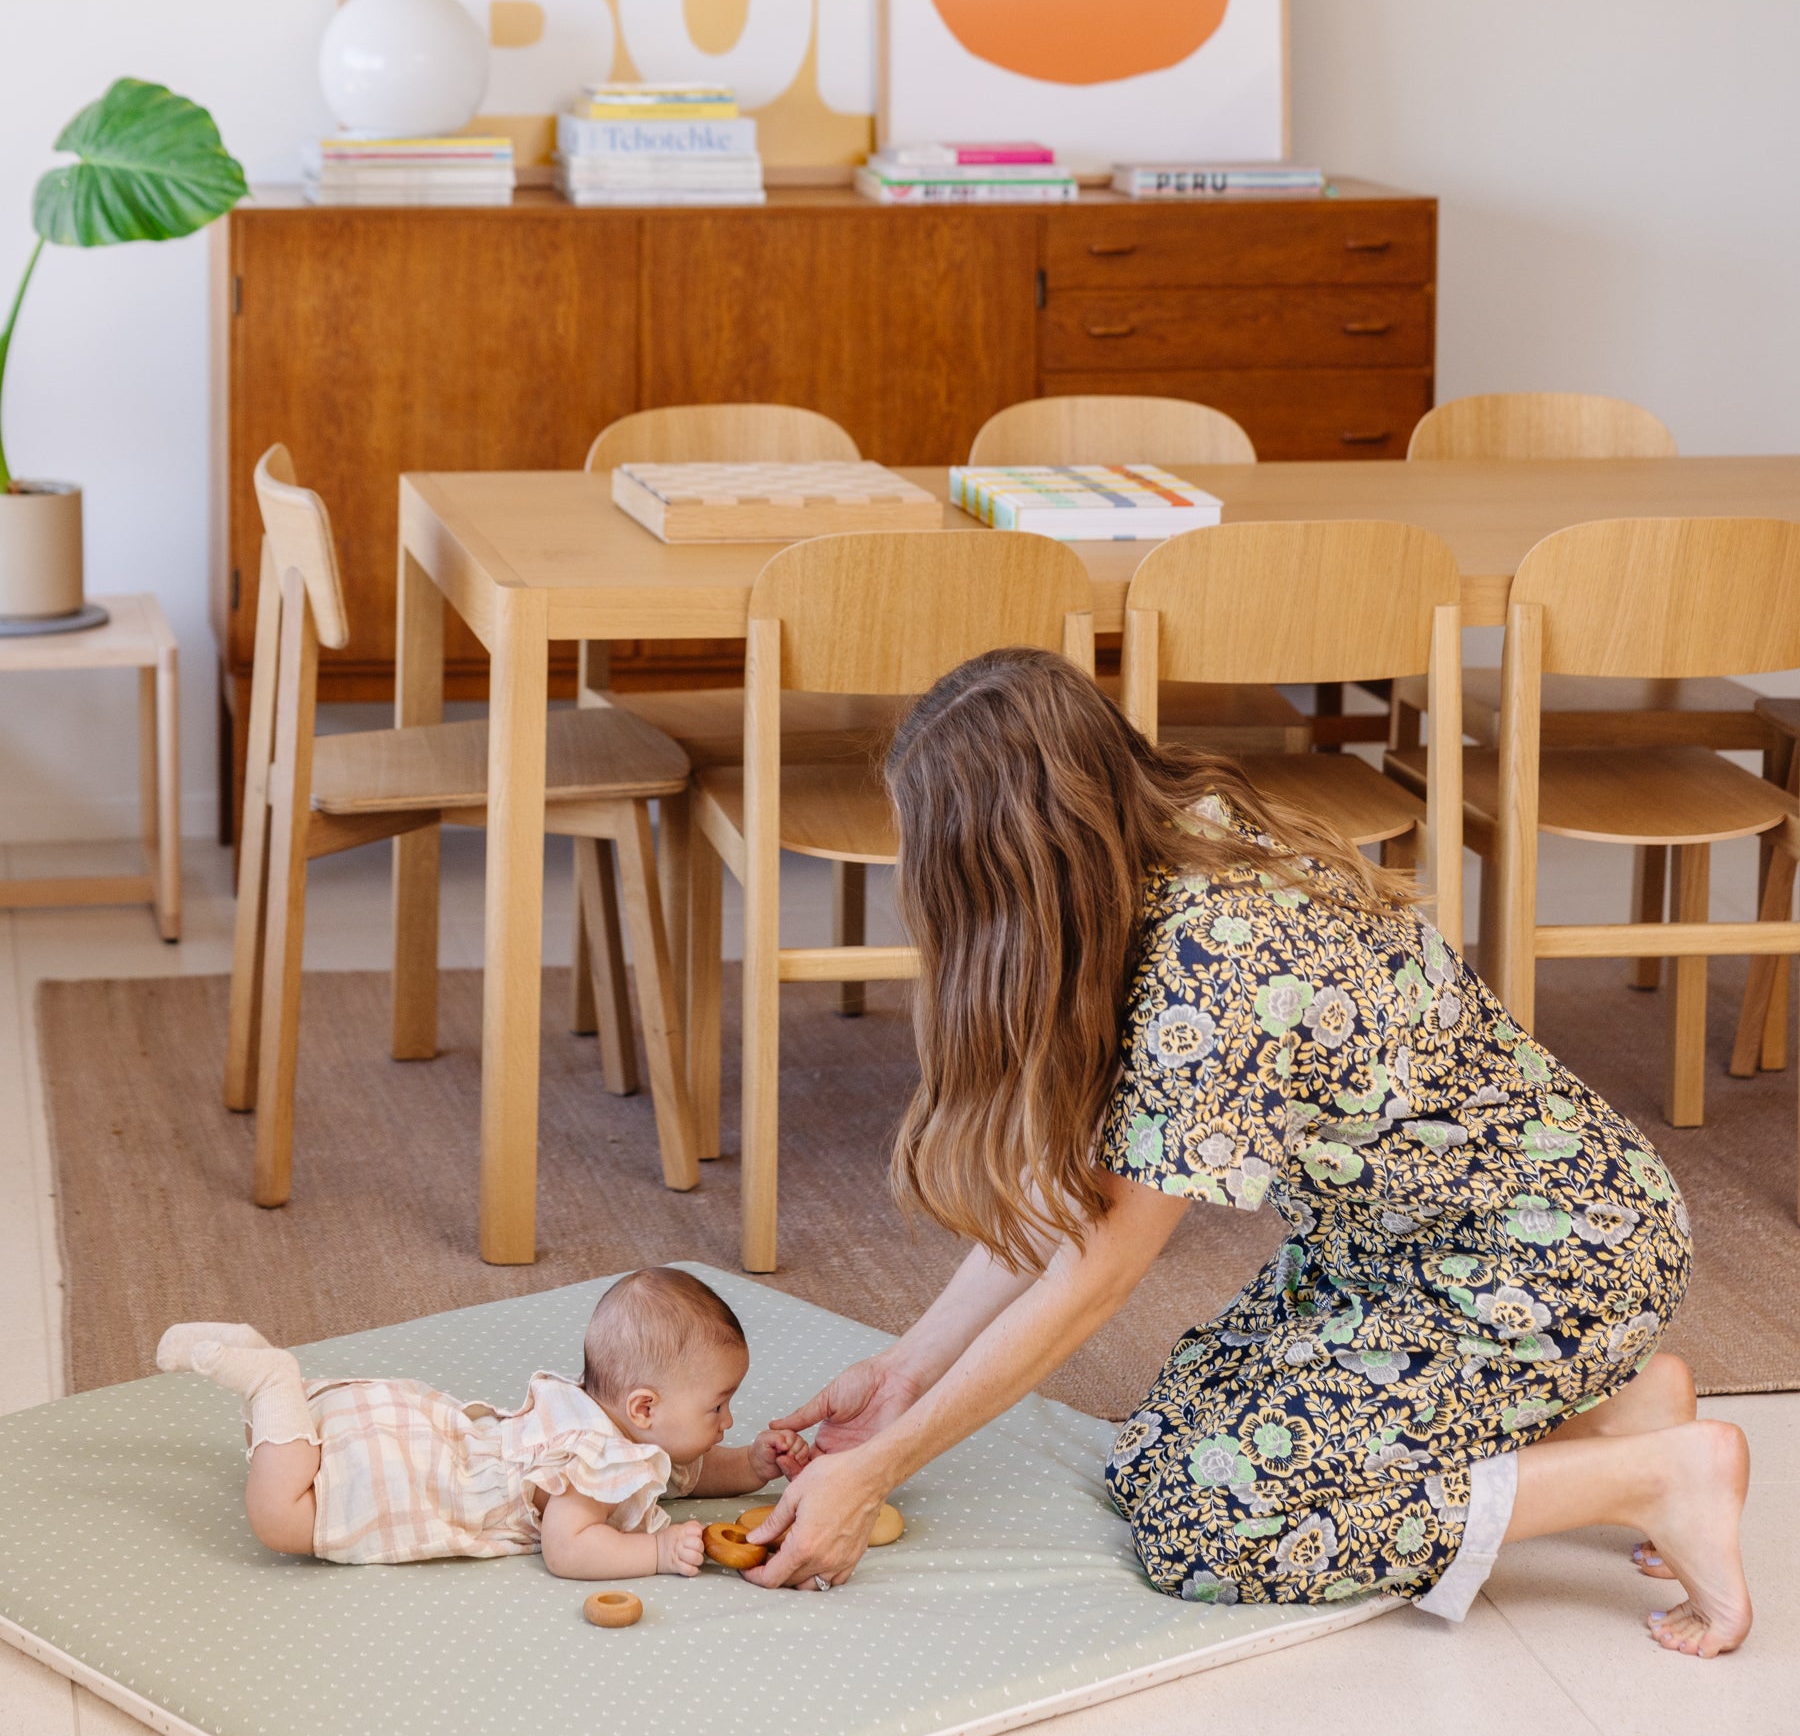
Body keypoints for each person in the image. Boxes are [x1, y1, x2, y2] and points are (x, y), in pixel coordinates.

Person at [743, 649, 1750, 1658]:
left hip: (1545, 1260)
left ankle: (1662, 1476)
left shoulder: (1212, 969)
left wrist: (875, 1470)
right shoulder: (1172, 843)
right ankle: (1620, 1409)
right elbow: (1081, 1197)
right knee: (1156, 1453)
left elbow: (1097, 1274)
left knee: (1210, 1523)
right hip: (1413, 1248)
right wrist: (905, 1373)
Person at [158, 1266, 810, 1576]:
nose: (729, 1419)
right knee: (282, 1517)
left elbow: (689, 1475)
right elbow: (569, 1546)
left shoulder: (608, 1423)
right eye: (718, 1406)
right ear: (645, 1408)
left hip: (422, 1431)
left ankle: (273, 1379)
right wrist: (657, 1551)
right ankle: (272, 1383)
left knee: (298, 1459)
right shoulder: (599, 1461)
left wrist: (754, 1465)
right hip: (405, 1481)